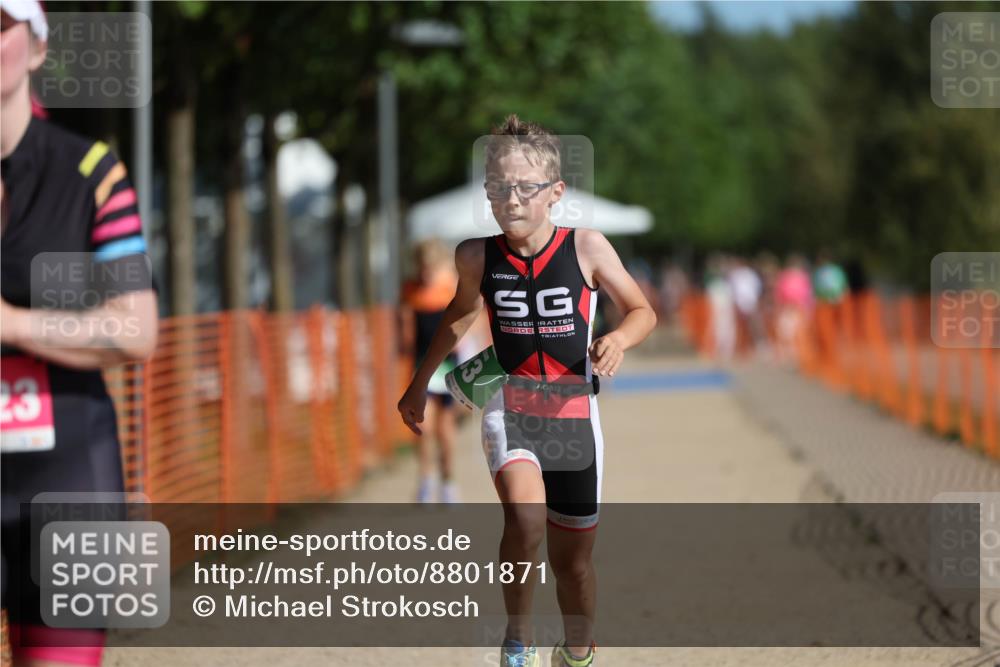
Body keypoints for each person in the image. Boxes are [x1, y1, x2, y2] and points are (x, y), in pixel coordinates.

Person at [397, 114, 656, 667]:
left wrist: (619, 339)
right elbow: (457, 316)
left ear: (556, 193)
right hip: (509, 405)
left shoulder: (586, 247)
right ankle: (517, 642)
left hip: (574, 414)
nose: (509, 199)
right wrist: (420, 384)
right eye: (498, 187)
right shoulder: (475, 256)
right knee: (525, 519)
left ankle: (579, 651)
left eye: (524, 188)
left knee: (574, 564)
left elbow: (642, 310)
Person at [1, 2, 159, 664]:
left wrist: (10, 323)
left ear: (38, 48)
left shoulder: (91, 170)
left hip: (67, 472)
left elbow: (135, 331)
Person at [400, 239, 461, 504]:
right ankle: (426, 479)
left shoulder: (450, 288)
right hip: (420, 364)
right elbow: (403, 330)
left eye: (430, 267)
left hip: (446, 365)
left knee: (445, 427)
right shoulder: (410, 291)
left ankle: (448, 481)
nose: (425, 273)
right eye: (422, 267)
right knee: (422, 425)